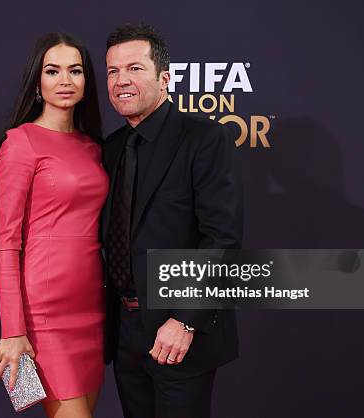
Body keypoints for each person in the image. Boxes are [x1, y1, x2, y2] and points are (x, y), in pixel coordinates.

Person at [102, 24, 244, 418]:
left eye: (134, 68)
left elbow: (223, 239)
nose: (121, 81)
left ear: (164, 78)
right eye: (113, 71)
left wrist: (185, 319)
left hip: (180, 331)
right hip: (124, 330)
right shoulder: (111, 149)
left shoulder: (204, 139)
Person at [0, 33, 107, 418]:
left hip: (91, 308)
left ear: (87, 81)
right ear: (37, 83)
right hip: (44, 314)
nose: (65, 80)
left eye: (75, 70)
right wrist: (12, 330)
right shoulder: (20, 143)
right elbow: (6, 244)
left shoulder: (92, 148)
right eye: (53, 71)